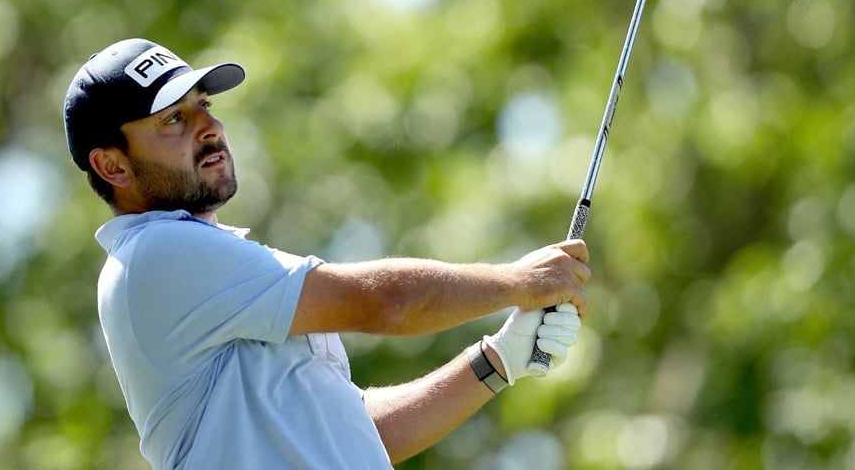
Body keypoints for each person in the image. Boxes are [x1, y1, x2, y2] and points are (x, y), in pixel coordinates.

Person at [64, 38, 591, 469]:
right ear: (113, 166)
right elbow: (386, 304)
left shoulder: (204, 264)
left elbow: (354, 435)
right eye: (172, 120)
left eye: (202, 105)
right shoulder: (156, 252)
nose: (211, 128)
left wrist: (499, 359)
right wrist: (520, 280)